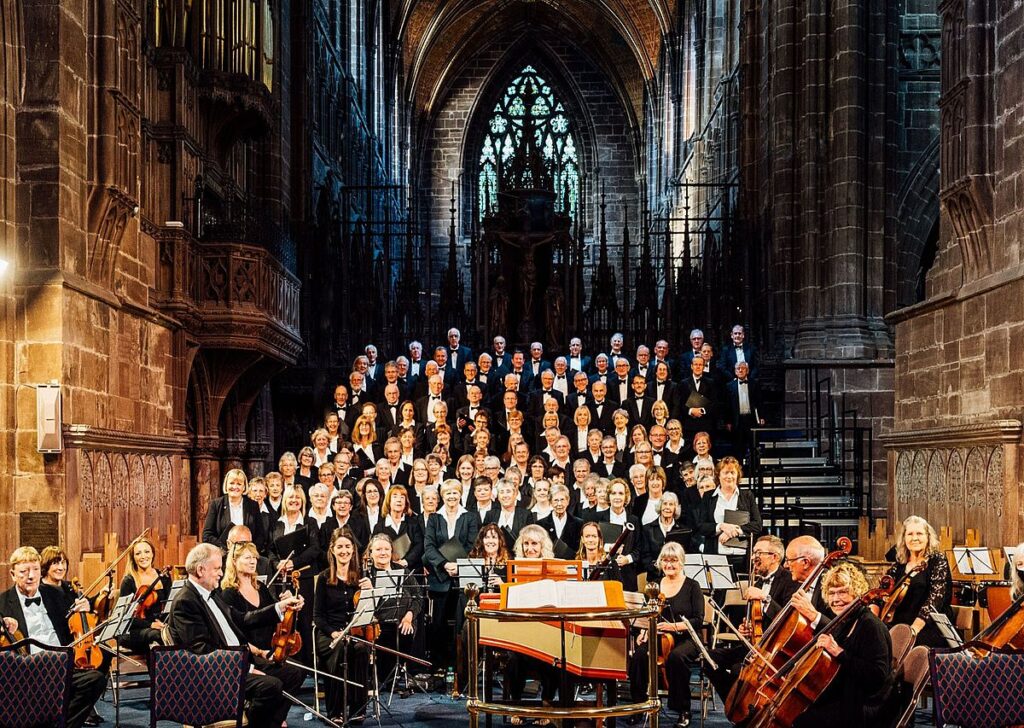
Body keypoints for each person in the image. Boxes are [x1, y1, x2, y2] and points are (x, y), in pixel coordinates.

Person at [166, 543, 304, 728]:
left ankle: (270, 722)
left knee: (294, 673)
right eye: (216, 568)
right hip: (217, 672)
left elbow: (243, 619)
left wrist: (280, 607)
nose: (221, 573)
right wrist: (244, 668)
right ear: (200, 570)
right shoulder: (186, 601)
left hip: (238, 660)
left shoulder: (212, 594)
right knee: (271, 686)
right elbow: (202, 651)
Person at [0, 547, 107, 728]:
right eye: (23, 571)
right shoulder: (3, 603)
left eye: (34, 569)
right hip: (28, 670)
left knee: (95, 679)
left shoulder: (56, 594)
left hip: (61, 666)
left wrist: (85, 607)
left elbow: (74, 622)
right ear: (12, 574)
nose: (31, 576)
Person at [786, 562, 892, 728]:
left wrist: (838, 651)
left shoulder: (871, 625)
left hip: (864, 705)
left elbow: (877, 676)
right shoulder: (843, 620)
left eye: (843, 592)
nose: (836, 599)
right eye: (832, 593)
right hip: (845, 695)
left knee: (803, 720)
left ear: (857, 593)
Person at [629, 542, 705, 728]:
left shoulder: (692, 586)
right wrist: (643, 631)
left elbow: (698, 620)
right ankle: (639, 706)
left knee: (676, 658)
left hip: (687, 637)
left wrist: (674, 626)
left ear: (682, 562)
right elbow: (647, 614)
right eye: (665, 560)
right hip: (659, 635)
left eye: (674, 560)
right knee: (639, 656)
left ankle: (683, 709)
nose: (669, 564)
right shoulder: (654, 587)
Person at [423, 480, 481, 673]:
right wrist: (445, 564)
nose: (451, 497)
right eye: (448, 493)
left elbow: (473, 544)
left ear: (460, 494)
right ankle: (440, 667)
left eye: (455, 493)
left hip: (463, 579)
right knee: (438, 625)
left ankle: (461, 668)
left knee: (460, 625)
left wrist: (459, 565)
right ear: (442, 496)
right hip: (440, 578)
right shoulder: (434, 518)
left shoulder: (470, 517)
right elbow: (428, 547)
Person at [313, 528, 369, 721]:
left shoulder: (360, 579)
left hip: (353, 633)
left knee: (361, 648)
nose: (344, 551)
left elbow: (368, 614)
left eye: (347, 546)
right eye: (340, 547)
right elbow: (318, 617)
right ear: (332, 550)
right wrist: (334, 633)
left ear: (353, 550)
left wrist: (369, 593)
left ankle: (357, 709)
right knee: (340, 650)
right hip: (328, 635)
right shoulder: (323, 578)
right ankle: (335, 711)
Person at [505, 525, 559, 720]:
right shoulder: (514, 567)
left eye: (534, 544)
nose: (530, 549)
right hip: (521, 628)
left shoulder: (554, 568)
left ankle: (547, 703)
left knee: (553, 656)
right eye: (526, 544)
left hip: (547, 626)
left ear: (542, 546)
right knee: (514, 659)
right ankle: (517, 705)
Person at [359, 533, 425, 690]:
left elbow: (417, 597)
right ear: (370, 553)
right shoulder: (367, 574)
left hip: (404, 621)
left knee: (406, 630)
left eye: (386, 549)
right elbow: (364, 605)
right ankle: (386, 677)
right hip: (380, 623)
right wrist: (371, 591)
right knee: (386, 633)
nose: (383, 553)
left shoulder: (402, 570)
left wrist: (409, 616)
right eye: (378, 549)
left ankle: (398, 671)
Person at [883, 515, 953, 647]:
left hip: (928, 625)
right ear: (904, 539)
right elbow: (882, 592)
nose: (914, 538)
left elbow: (934, 602)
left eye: (919, 533)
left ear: (928, 537)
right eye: (910, 534)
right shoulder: (900, 563)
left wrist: (913, 631)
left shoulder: (937, 560)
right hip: (899, 624)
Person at [220, 541, 289, 654]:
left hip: (270, 650)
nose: (253, 561)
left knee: (299, 669)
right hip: (249, 654)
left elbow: (274, 615)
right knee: (294, 672)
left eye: (254, 557)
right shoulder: (228, 594)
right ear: (234, 561)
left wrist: (287, 604)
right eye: (247, 558)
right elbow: (233, 634)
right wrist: (259, 652)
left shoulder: (261, 587)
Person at [694, 457, 762, 571]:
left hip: (741, 556)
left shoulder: (747, 496)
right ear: (718, 475)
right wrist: (721, 526)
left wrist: (733, 531)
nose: (729, 476)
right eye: (725, 472)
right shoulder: (708, 496)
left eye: (732, 472)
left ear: (738, 475)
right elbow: (701, 526)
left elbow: (757, 525)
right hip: (716, 556)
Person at [117, 536, 172, 655]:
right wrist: (151, 624)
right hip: (135, 629)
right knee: (154, 635)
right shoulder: (129, 581)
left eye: (147, 552)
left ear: (152, 554)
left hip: (160, 625)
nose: (143, 556)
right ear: (133, 557)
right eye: (138, 553)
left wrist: (164, 624)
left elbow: (169, 606)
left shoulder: (163, 577)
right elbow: (125, 618)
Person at [202, 468, 267, 552]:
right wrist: (225, 549)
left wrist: (249, 551)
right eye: (232, 483)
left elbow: (260, 535)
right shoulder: (216, 504)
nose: (235, 487)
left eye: (239, 484)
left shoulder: (253, 505)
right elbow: (207, 535)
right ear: (226, 485)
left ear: (244, 487)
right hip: (223, 555)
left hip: (247, 556)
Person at [374, 484, 424, 570]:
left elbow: (419, 546)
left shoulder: (413, 523)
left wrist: (406, 561)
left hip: (411, 570)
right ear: (389, 501)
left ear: (406, 502)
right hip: (386, 570)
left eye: (402, 497)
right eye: (395, 496)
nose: (399, 500)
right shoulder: (379, 527)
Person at [640, 491, 683, 580]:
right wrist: (660, 568)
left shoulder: (682, 530)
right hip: (655, 578)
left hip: (676, 578)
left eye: (671, 504)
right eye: (665, 504)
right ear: (660, 506)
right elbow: (645, 557)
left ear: (675, 508)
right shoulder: (647, 529)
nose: (667, 507)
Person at [484, 479, 536, 549]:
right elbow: (484, 538)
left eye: (508, 491)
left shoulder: (526, 515)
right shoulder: (490, 515)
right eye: (501, 492)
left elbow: (530, 539)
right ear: (498, 497)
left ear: (515, 494)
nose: (505, 495)